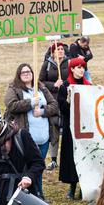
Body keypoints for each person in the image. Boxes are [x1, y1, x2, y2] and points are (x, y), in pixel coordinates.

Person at [4, 63, 59, 197]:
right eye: (23, 72)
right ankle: (36, 195)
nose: (26, 74)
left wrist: (42, 111)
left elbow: (54, 105)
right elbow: (11, 105)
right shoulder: (14, 88)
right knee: (31, 168)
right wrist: (30, 103)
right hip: (27, 138)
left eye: (28, 71)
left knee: (39, 167)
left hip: (44, 136)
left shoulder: (40, 87)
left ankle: (37, 193)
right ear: (18, 75)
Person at [58, 57, 92, 200]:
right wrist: (68, 100)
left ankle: (84, 187)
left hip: (85, 127)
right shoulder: (65, 86)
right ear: (72, 69)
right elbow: (63, 109)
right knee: (71, 156)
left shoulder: (88, 85)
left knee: (86, 156)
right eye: (78, 67)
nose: (81, 70)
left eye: (83, 67)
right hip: (71, 127)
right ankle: (72, 187)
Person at [39, 42, 69, 170]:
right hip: (52, 99)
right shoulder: (47, 64)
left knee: (67, 127)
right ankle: (53, 159)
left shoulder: (69, 62)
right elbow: (40, 81)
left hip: (67, 99)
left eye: (62, 49)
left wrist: (66, 84)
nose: (61, 51)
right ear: (53, 52)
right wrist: (53, 85)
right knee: (54, 127)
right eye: (58, 49)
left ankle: (67, 158)